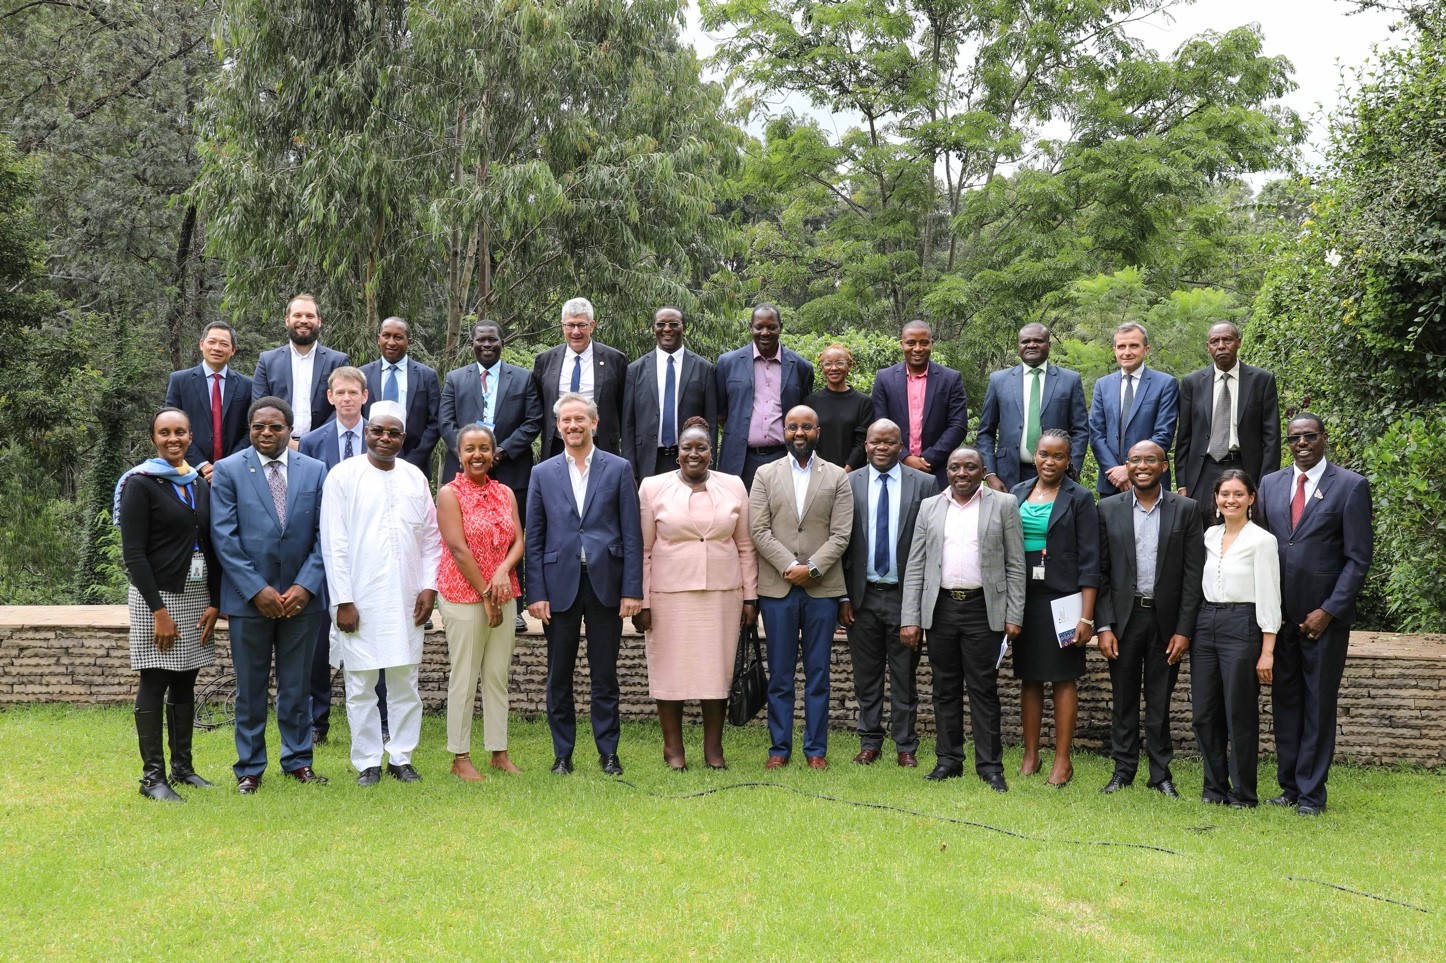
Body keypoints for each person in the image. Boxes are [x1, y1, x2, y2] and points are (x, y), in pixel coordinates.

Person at [209, 396, 330, 793]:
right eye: (259, 426)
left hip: (302, 599)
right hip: (248, 601)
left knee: (296, 687)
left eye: (275, 427)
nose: (266, 433)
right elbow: (223, 537)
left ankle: (298, 761)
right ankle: (249, 767)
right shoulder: (228, 471)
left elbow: (324, 536)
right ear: (249, 428)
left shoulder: (315, 470)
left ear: (289, 430)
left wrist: (305, 585)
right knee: (251, 687)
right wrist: (256, 589)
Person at [1255, 414, 1373, 816]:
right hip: (1280, 618)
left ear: (1324, 438)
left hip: (1323, 622)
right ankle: (1288, 786)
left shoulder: (1351, 486)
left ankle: (1311, 794)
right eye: (1294, 438)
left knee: (1317, 705)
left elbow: (1357, 561)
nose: (1301, 443)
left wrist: (1329, 610)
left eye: (1309, 436)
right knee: (1285, 704)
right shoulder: (1269, 484)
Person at [319, 401, 442, 786]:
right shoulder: (342, 476)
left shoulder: (415, 478)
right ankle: (368, 761)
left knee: (406, 684)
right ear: (366, 431)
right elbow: (333, 544)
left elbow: (432, 540)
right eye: (378, 431)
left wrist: (429, 586)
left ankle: (401, 756)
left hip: (407, 599)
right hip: (360, 600)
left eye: (393, 433)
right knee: (361, 685)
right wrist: (343, 600)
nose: (385, 438)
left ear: (403, 438)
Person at [525, 393, 644, 776]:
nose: (573, 426)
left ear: (594, 423)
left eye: (580, 419)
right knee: (558, 674)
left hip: (605, 583)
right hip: (558, 585)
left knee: (604, 673)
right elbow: (535, 537)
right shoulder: (542, 473)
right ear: (558, 426)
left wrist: (632, 589)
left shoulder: (619, 468)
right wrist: (536, 593)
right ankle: (563, 753)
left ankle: (608, 752)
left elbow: (632, 533)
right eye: (565, 420)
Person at [635, 417, 758, 771]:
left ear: (711, 452)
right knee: (669, 672)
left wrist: (750, 597)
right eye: (687, 448)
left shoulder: (733, 485)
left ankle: (713, 750)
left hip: (722, 595)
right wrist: (642, 602)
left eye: (701, 448)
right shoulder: (653, 488)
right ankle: (673, 750)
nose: (694, 454)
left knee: (715, 674)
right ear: (677, 454)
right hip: (668, 596)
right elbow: (644, 549)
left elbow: (746, 545)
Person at [901, 447, 1024, 791]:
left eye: (970, 467)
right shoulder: (930, 506)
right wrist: (910, 617)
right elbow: (916, 566)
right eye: (955, 467)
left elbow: (1016, 564)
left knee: (983, 689)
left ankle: (989, 766)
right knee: (944, 688)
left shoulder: (1003, 504)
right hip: (940, 608)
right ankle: (948, 761)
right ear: (948, 471)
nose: (961, 473)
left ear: (982, 470)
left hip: (983, 609)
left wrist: (1014, 614)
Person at [116, 408, 222, 802]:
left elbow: (211, 545)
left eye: (180, 432)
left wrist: (215, 601)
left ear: (190, 436)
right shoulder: (140, 484)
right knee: (154, 678)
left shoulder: (198, 483)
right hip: (155, 598)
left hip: (196, 596)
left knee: (186, 679)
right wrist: (159, 611)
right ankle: (152, 778)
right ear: (153, 439)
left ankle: (183, 768)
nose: (173, 439)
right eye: (165, 433)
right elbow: (134, 555)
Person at [1095, 441, 1205, 799]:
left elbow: (1193, 576)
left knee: (1160, 701)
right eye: (1136, 460)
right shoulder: (1108, 508)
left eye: (1150, 460)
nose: (1142, 466)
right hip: (1124, 621)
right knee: (1123, 699)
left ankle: (1160, 774)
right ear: (1127, 466)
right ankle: (1122, 770)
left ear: (1164, 466)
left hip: (1165, 622)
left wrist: (1184, 630)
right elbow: (1100, 572)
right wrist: (1104, 625)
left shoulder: (1186, 510)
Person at [749, 405, 853, 769]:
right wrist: (789, 566)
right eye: (792, 426)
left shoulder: (837, 476)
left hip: (821, 589)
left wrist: (811, 568)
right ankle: (779, 748)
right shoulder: (764, 474)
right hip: (777, 589)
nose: (798, 433)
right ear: (784, 432)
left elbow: (841, 534)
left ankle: (816, 751)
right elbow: (758, 529)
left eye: (806, 426)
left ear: (817, 431)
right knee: (779, 674)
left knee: (818, 674)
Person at [298, 366, 387, 746]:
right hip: (325, 550)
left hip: (370, 551)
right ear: (330, 397)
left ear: (365, 396)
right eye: (341, 393)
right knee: (319, 643)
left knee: (374, 636)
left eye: (355, 392)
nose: (348, 398)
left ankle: (380, 720)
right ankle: (318, 722)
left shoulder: (380, 437)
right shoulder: (313, 442)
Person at [839, 419, 935, 767]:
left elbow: (930, 547)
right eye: (875, 442)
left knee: (905, 676)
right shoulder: (848, 483)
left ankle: (906, 745)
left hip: (903, 597)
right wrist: (843, 597)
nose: (881, 448)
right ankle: (869, 741)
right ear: (865, 445)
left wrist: (919, 606)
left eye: (889, 443)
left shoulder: (924, 484)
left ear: (901, 446)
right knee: (866, 675)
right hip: (861, 598)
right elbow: (840, 544)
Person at [440, 320, 543, 633]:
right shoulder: (456, 379)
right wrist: (471, 453)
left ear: (502, 343)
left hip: (510, 469)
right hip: (464, 472)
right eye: (481, 340)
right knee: (467, 538)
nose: (487, 345)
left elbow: (533, 421)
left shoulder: (524, 378)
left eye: (493, 340)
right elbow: (446, 423)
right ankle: (470, 595)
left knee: (510, 537)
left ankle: (514, 606)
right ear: (471, 342)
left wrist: (500, 452)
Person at [1010, 428, 1100, 787]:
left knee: (1063, 678)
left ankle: (1063, 761)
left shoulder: (1080, 498)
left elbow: (1091, 559)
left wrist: (1086, 616)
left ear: (1069, 460)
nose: (1050, 461)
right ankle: (1031, 754)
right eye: (1044, 454)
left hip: (1063, 601)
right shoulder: (1017, 493)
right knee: (1029, 677)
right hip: (1024, 599)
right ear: (1035, 455)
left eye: (1058, 456)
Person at [436, 423, 525, 780]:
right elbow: (458, 548)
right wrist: (486, 594)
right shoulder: (449, 493)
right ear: (459, 455)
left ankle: (498, 752)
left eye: (484, 449)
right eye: (470, 449)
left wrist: (503, 570)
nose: (477, 455)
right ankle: (459, 756)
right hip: (463, 594)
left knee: (496, 675)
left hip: (504, 593)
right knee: (465, 674)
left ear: (494, 453)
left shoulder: (505, 492)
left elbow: (519, 539)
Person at [1193, 468, 1281, 808]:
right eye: (1225, 494)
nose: (1231, 500)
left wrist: (1267, 650)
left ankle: (1244, 793)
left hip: (1242, 625)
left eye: (1238, 494)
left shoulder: (1262, 540)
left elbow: (1270, 596)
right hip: (1205, 622)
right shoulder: (1208, 536)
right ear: (1215, 499)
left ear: (1251, 499)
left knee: (1239, 712)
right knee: (1204, 712)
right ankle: (1214, 787)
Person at [1176, 321, 1281, 527]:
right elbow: (1184, 437)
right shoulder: (1192, 382)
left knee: (1246, 528)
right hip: (1203, 469)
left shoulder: (1261, 380)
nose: (1221, 346)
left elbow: (1271, 438)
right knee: (1201, 532)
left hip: (1245, 466)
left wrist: (1266, 484)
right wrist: (1182, 483)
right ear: (1208, 347)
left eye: (1227, 340)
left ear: (1239, 343)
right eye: (1215, 341)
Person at [976, 323, 1089, 492]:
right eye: (1025, 341)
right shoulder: (999, 381)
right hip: (1007, 475)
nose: (1031, 345)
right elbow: (986, 432)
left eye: (1038, 340)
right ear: (1018, 346)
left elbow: (1080, 430)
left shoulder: (1070, 380)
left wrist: (1071, 470)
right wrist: (990, 474)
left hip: (1056, 474)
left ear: (1049, 345)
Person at [715, 304, 815, 488]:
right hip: (740, 460)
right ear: (750, 327)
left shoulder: (801, 367)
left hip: (785, 457)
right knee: (740, 515)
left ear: (781, 327)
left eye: (771, 327)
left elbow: (804, 413)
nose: (765, 332)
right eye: (759, 327)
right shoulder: (727, 363)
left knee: (784, 515)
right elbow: (722, 413)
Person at [621, 306, 718, 481]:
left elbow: (710, 422)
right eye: (661, 324)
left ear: (684, 328)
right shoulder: (635, 370)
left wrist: (710, 467)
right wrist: (630, 470)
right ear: (653, 329)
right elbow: (628, 425)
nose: (667, 329)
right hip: (647, 462)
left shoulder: (704, 369)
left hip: (691, 461)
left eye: (674, 324)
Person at [869, 320, 969, 488]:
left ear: (931, 343)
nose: (917, 349)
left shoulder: (950, 379)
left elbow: (958, 426)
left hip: (937, 471)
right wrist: (905, 457)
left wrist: (928, 459)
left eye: (924, 343)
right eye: (911, 343)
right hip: (894, 468)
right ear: (901, 344)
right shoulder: (884, 378)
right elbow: (880, 423)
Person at [1087, 322, 1180, 496]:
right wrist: (1115, 472)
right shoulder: (1103, 385)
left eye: (1134, 346)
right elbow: (1096, 434)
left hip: (1150, 480)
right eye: (1121, 346)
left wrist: (1130, 470)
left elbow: (1164, 434)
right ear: (1114, 350)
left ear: (1146, 349)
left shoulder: (1165, 384)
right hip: (1111, 481)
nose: (1127, 352)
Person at [532, 297, 627, 457]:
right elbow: (540, 404)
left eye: (581, 325)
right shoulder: (545, 360)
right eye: (570, 325)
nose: (576, 331)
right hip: (557, 446)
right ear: (563, 326)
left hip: (600, 445)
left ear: (592, 326)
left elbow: (623, 406)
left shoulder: (615, 359)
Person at [251, 293, 350, 443]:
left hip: (324, 445)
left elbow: (343, 405)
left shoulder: (337, 361)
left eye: (310, 316)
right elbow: (260, 406)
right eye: (297, 315)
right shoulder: (267, 360)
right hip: (278, 445)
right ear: (287, 320)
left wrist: (316, 440)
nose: (304, 320)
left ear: (319, 321)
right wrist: (286, 440)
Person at [163, 321, 254, 482]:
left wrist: (227, 465)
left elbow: (250, 431)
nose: (217, 348)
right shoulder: (180, 381)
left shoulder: (247, 385)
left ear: (233, 350)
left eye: (224, 344)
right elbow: (172, 428)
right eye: (212, 342)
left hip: (235, 473)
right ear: (201, 344)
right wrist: (202, 465)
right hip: (188, 472)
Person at [359, 316, 441, 477]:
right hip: (369, 462)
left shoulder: (427, 376)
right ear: (378, 339)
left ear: (409, 342)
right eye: (386, 335)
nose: (391, 342)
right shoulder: (363, 374)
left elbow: (435, 422)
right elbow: (358, 416)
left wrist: (413, 460)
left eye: (398, 337)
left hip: (415, 464)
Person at [802, 344, 872, 472]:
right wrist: (825, 471)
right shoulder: (811, 402)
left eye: (840, 363)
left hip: (854, 474)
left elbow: (862, 443)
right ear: (822, 368)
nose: (834, 368)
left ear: (849, 365)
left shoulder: (864, 402)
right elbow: (809, 440)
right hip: (818, 473)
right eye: (828, 364)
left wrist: (845, 472)